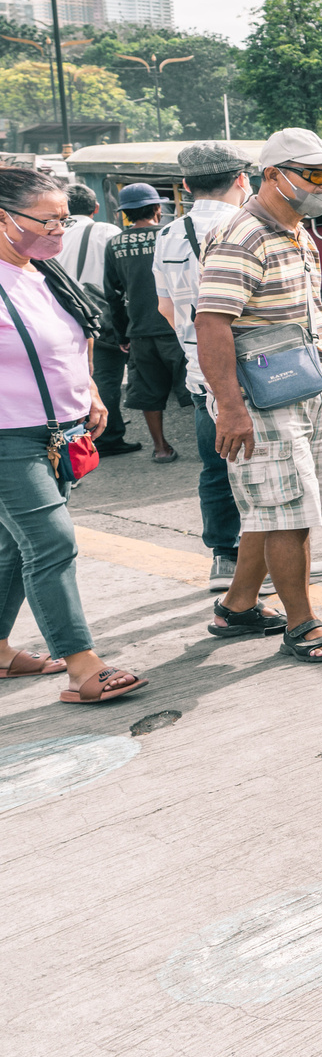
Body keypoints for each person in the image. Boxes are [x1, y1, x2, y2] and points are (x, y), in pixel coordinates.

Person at [193, 129, 322, 664]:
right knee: (290, 512)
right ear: (273, 175)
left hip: (303, 387)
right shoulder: (243, 235)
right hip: (260, 400)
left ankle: (238, 607)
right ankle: (302, 622)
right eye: (315, 174)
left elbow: (306, 321)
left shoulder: (296, 232)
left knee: (273, 507)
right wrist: (231, 407)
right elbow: (212, 324)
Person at [0, 165, 148, 704]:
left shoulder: (42, 270)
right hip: (8, 440)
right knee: (50, 543)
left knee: (15, 549)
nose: (62, 230)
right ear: (3, 219)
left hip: (59, 434)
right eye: (51, 220)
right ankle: (82, 667)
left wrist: (89, 390)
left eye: (66, 219)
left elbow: (69, 339)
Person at [103, 182, 187, 463]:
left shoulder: (115, 244)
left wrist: (122, 336)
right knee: (200, 390)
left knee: (149, 393)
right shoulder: (171, 235)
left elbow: (113, 295)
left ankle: (161, 448)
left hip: (139, 331)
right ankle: (216, 447)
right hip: (179, 328)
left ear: (125, 213)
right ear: (157, 209)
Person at [61, 186, 134, 456]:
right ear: (95, 208)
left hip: (65, 317)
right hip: (102, 317)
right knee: (107, 378)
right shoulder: (107, 231)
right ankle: (109, 435)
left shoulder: (55, 233)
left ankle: (79, 431)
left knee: (76, 376)